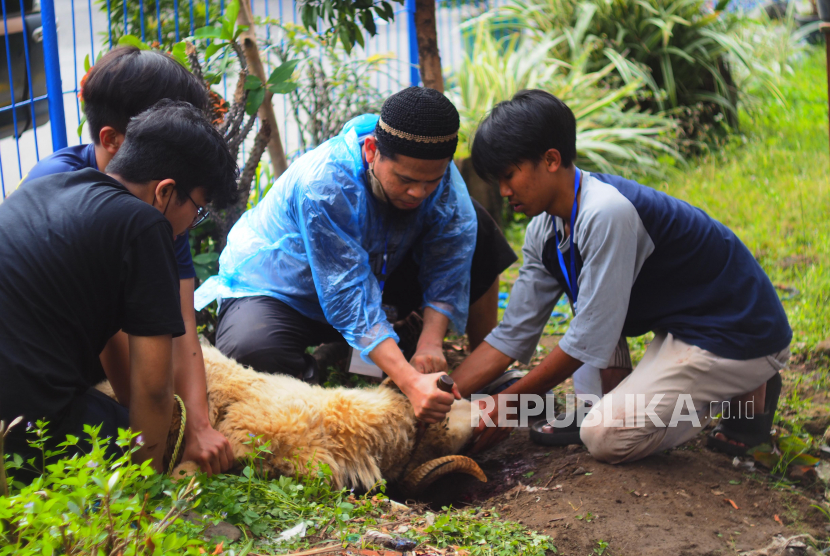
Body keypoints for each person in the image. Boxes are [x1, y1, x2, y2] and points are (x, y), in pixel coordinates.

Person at [450, 90, 792, 462]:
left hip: (735, 330)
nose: (504, 191)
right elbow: (513, 334)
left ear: (550, 159)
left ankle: (747, 391)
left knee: (603, 436)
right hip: (682, 325)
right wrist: (432, 395)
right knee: (593, 402)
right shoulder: (545, 229)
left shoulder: (606, 212)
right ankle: (720, 385)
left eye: (509, 175)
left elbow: (590, 337)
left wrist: (508, 402)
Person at [196, 87, 516, 423]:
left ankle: (426, 354)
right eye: (406, 179)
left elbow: (449, 256)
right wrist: (410, 383)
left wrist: (431, 343)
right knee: (251, 349)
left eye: (431, 181)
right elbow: (347, 296)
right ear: (371, 150)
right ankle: (325, 371)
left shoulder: (439, 178)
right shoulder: (324, 185)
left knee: (474, 224)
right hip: (282, 290)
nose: (418, 192)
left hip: (377, 275)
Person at [18, 46, 234, 475]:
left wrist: (198, 423)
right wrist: (146, 478)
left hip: (30, 376)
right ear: (117, 139)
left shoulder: (72, 189)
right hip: (30, 401)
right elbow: (146, 380)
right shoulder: (145, 219)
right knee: (137, 438)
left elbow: (178, 318)